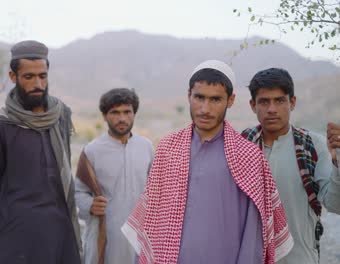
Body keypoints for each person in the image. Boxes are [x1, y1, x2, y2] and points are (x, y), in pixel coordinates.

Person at [122, 60, 293, 264]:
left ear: (230, 100)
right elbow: (151, 219)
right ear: (189, 96)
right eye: (199, 97)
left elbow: (254, 235)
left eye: (215, 99)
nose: (205, 109)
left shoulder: (248, 156)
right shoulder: (168, 148)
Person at [0, 40, 82, 264]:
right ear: (13, 76)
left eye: (43, 76)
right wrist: (19, 213)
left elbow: (63, 170)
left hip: (61, 231)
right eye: (29, 77)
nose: (38, 83)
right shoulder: (0, 126)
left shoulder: (61, 115)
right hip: (19, 236)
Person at [241, 68, 340, 264]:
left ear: (292, 102)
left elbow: (334, 204)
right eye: (264, 101)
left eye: (279, 101)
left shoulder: (313, 145)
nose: (272, 109)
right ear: (253, 105)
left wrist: (337, 162)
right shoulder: (241, 146)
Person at [75, 88, 154, 264]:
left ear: (134, 113)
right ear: (104, 116)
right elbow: (78, 192)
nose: (122, 118)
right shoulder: (92, 151)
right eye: (115, 112)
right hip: (107, 236)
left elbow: (155, 189)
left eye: (127, 112)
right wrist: (90, 205)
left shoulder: (146, 147)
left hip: (141, 235)